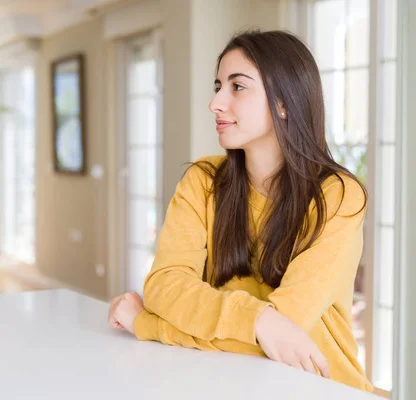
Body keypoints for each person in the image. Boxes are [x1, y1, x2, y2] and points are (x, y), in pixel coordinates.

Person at [108, 29, 372, 392]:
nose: (215, 103)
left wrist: (150, 326)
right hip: (224, 381)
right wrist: (261, 322)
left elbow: (287, 329)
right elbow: (165, 286)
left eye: (237, 87)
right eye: (218, 86)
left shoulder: (338, 196)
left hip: (321, 387)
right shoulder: (202, 181)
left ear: (283, 102)